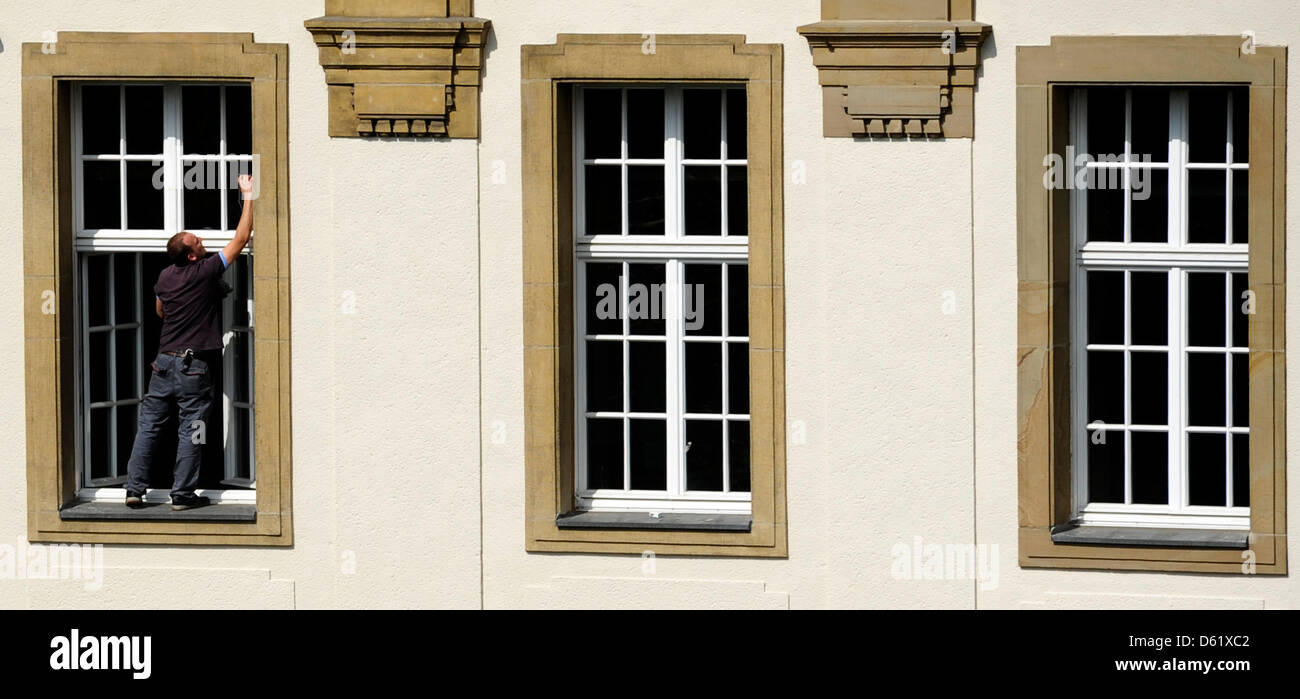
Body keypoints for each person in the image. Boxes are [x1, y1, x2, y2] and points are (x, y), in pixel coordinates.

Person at [123, 174, 255, 511]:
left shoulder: (167, 276)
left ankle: (134, 490)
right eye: (196, 240)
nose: (201, 239)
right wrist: (249, 195)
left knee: (149, 426)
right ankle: (182, 495)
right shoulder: (206, 271)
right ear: (193, 256)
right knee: (192, 430)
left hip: (162, 363)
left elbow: (160, 311)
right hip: (193, 368)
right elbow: (241, 239)